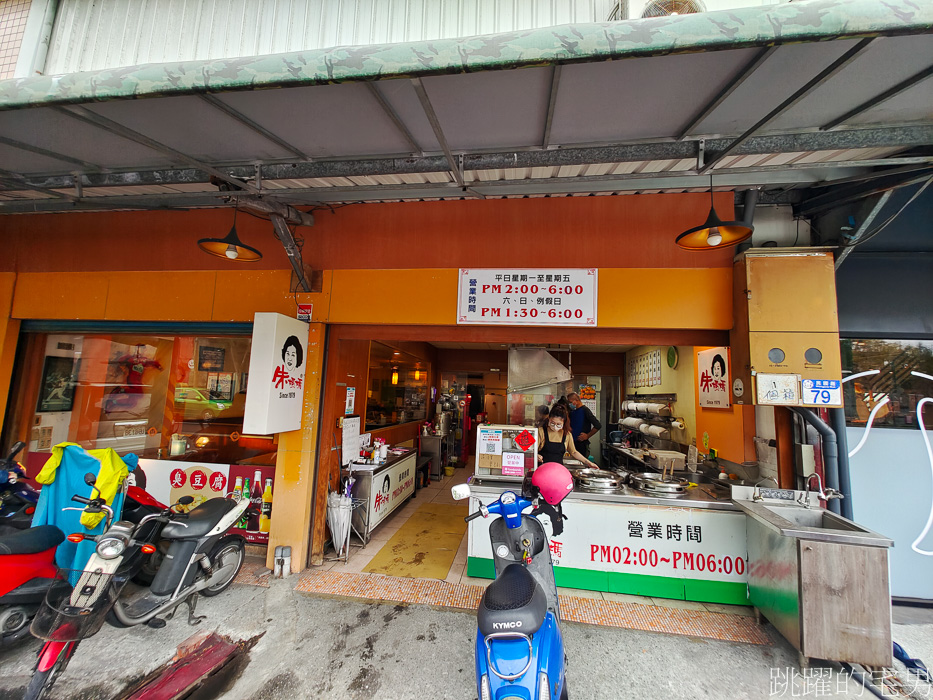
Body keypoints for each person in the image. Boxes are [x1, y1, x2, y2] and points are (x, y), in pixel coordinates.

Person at [536, 404, 597, 468]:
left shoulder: (567, 434)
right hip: (542, 470)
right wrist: (536, 455)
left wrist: (589, 463)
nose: (555, 426)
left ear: (564, 422)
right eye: (552, 423)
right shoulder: (541, 431)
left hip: (559, 470)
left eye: (558, 424)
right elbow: (532, 451)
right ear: (548, 419)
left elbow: (573, 452)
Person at [567, 392, 601, 459]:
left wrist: (587, 436)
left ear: (576, 401)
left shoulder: (585, 410)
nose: (569, 404)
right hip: (572, 443)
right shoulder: (572, 411)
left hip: (581, 444)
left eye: (570, 402)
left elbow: (598, 425)